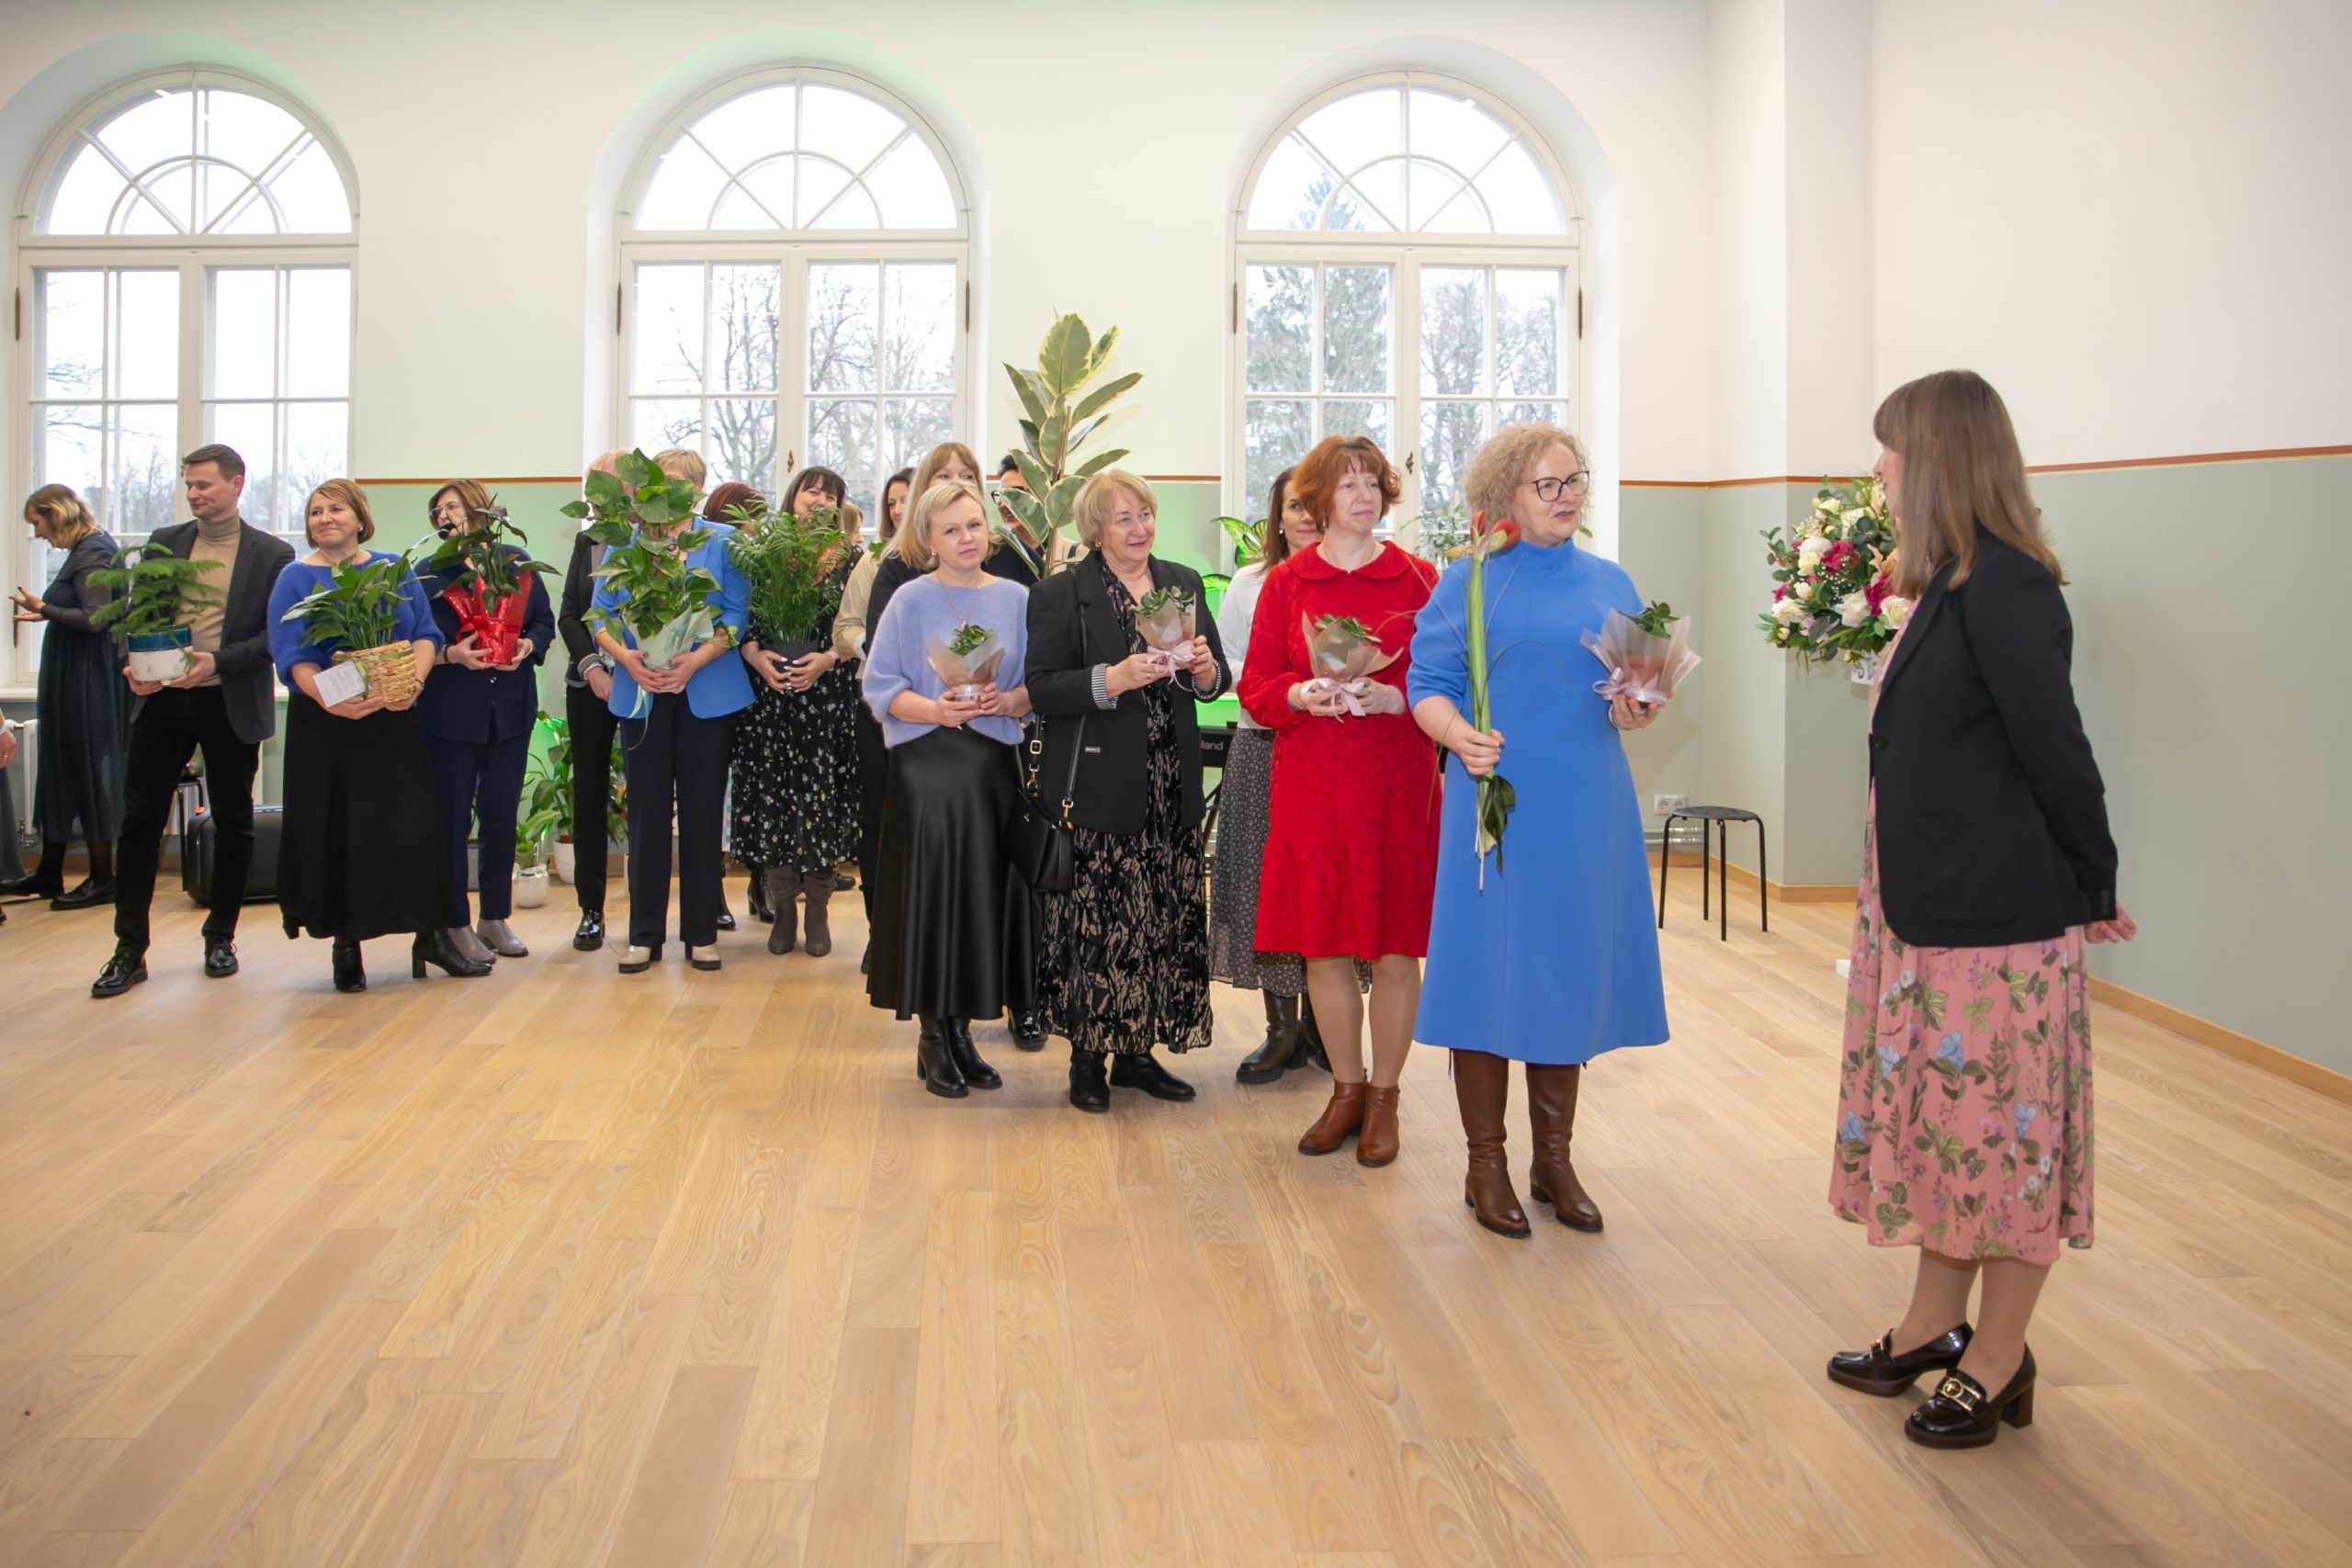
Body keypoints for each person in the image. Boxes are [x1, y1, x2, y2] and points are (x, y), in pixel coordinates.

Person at [1826, 369, 2130, 1451]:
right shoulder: (1949, 581)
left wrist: (2091, 882)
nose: (1877, 466)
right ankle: (1930, 1327)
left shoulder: (2009, 587)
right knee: (1945, 1132)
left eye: (1891, 448)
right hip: (1932, 907)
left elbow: (2057, 751)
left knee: (2003, 1142)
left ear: (1940, 460)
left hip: (1997, 917)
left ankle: (1998, 1359)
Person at [1408, 424, 1669, 1238]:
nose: (1567, 496)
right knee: (1485, 977)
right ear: (1504, 498)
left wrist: (1637, 709)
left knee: (1565, 969)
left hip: (1586, 805)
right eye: (1547, 484)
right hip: (1494, 805)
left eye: (1573, 480)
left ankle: (1553, 1159)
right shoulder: (1469, 580)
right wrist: (1458, 736)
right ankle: (1484, 1161)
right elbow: (1427, 684)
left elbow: (1634, 691)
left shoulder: (1610, 580)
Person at [1236, 435, 1439, 1168]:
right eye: (1348, 484)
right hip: (1314, 784)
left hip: (1396, 784)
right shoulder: (1287, 583)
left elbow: (1446, 679)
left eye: (1373, 483)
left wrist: (1396, 697)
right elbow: (1256, 685)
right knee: (1322, 946)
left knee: (1394, 946)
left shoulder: (1418, 578)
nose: (1363, 495)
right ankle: (1345, 1089)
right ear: (1319, 499)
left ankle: (1384, 1096)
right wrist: (1299, 693)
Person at [1024, 471, 1228, 1111]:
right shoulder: (1062, 593)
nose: (1140, 528)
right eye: (1124, 518)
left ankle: (1137, 1053)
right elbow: (1041, 687)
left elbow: (1215, 679)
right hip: (1100, 783)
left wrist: (1205, 672)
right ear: (1095, 530)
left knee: (1160, 918)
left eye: (1145, 514)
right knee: (1101, 924)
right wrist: (1110, 678)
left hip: (1171, 783)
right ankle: (1088, 1057)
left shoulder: (1182, 582)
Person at [268, 480, 489, 992]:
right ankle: (346, 945)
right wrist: (330, 699)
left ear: (359, 517)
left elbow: (425, 636)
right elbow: (292, 655)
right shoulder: (294, 578)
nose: (325, 517)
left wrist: (413, 683)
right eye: (315, 511)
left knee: (417, 827)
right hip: (327, 724)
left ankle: (432, 937)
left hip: (393, 715)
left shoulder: (391, 568)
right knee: (341, 832)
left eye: (336, 508)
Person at [91, 445, 295, 998]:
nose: (193, 494)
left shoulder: (272, 553)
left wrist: (216, 662)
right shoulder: (166, 541)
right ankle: (128, 950)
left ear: (236, 483)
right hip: (161, 701)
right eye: (189, 485)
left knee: (234, 822)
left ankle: (220, 937)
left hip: (227, 700)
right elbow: (135, 617)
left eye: (204, 484)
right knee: (139, 822)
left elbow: (273, 638)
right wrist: (132, 667)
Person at [862, 479, 1036, 1096]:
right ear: (928, 540)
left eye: (974, 525)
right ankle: (933, 1036)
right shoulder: (909, 600)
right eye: (952, 530)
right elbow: (880, 687)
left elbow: (1035, 685)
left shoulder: (1017, 598)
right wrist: (935, 710)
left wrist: (1006, 700)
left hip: (991, 767)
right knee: (935, 897)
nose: (967, 538)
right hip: (927, 769)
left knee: (980, 897)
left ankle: (962, 1031)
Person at [1208, 468, 1344, 1082]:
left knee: (1325, 883)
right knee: (1266, 883)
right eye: (1295, 505)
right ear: (1278, 516)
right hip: (1263, 744)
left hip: (1332, 751)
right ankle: (1282, 1029)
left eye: (1315, 503)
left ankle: (1323, 1026)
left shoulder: (1349, 577)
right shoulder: (1250, 582)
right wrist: (1291, 685)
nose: (1306, 516)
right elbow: (1233, 663)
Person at [591, 468, 751, 973]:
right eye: (661, 481)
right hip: (641, 692)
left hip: (707, 691)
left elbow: (736, 615)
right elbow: (599, 615)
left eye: (682, 481)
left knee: (703, 814)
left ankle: (701, 935)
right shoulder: (626, 541)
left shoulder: (723, 541)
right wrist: (627, 659)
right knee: (646, 815)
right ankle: (644, 936)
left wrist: (695, 660)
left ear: (696, 489)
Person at [416, 479, 556, 963]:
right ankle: (454, 922)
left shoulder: (516, 563)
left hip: (510, 709)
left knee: (500, 814)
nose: (443, 516)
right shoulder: (428, 573)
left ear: (479, 510)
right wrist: (451, 654)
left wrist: (528, 645)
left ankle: (494, 917)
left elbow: (544, 622)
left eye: (452, 506)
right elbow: (416, 637)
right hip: (450, 712)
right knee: (453, 820)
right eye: (437, 511)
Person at [734, 465, 861, 956]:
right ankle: (783, 906)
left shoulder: (852, 559)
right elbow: (741, 621)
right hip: (771, 700)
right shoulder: (765, 555)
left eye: (832, 496)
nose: (821, 501)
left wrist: (829, 658)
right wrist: (754, 656)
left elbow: (860, 627)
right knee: (774, 803)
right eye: (813, 492)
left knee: (823, 804)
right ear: (793, 498)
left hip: (828, 699)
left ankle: (818, 909)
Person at [6, 486, 129, 909]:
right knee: (60, 763)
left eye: (37, 523)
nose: (38, 533)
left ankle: (102, 876)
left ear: (56, 515)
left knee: (88, 765)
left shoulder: (93, 551)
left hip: (88, 679)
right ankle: (49, 870)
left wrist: (44, 609)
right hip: (73, 675)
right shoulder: (85, 549)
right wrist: (46, 612)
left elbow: (95, 619)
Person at [837, 466, 912, 953]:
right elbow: (844, 629)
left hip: (941, 709)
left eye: (908, 498)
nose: (899, 509)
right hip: (878, 703)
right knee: (879, 817)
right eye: (891, 503)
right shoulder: (874, 561)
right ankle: (879, 934)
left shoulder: (962, 557)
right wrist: (880, 648)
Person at [557, 452, 624, 952]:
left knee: (653, 795)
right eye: (592, 485)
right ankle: (591, 911)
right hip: (590, 686)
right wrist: (592, 668)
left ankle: (659, 909)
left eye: (607, 484)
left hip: (647, 682)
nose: (596, 494)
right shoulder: (589, 540)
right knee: (589, 796)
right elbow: (570, 614)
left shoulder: (659, 538)